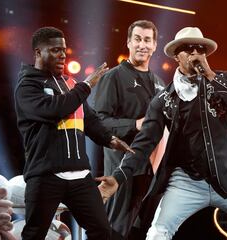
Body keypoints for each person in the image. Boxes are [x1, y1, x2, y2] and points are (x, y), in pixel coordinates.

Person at [96, 27, 227, 240]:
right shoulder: (163, 100)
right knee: (157, 234)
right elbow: (143, 143)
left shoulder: (221, 79)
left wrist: (210, 74)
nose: (195, 53)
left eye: (200, 49)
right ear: (177, 56)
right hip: (186, 182)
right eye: (188, 49)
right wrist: (118, 177)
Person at [14, 26, 133, 240]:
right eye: (55, 50)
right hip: (45, 176)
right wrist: (86, 85)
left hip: (80, 177)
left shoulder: (70, 83)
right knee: (34, 235)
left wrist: (110, 139)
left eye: (64, 50)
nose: (62, 55)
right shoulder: (27, 86)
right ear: (38, 53)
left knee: (102, 231)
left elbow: (88, 118)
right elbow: (54, 109)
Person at [91, 20, 164, 239]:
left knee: (146, 230)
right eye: (138, 39)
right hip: (121, 168)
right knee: (115, 229)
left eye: (147, 40)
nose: (142, 44)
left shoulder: (159, 83)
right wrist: (135, 124)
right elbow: (98, 123)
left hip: (152, 170)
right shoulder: (112, 77)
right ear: (129, 43)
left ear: (154, 46)